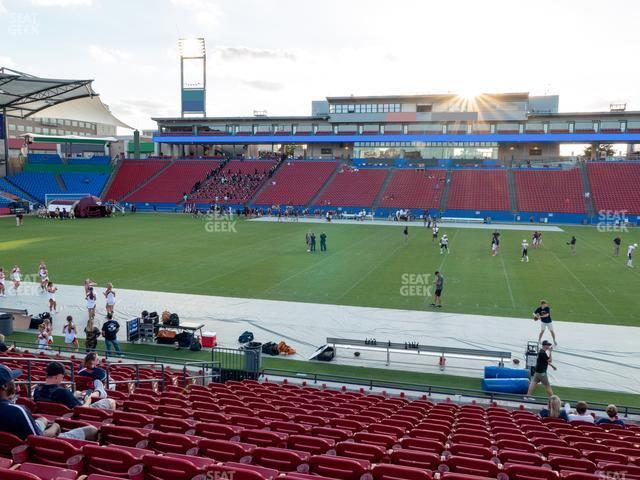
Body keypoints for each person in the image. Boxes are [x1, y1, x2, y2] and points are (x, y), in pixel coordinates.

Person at [0, 364, 98, 441]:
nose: (15, 382)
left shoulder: (38, 390)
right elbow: (37, 439)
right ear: (4, 386)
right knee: (92, 430)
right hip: (40, 446)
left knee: (42, 419)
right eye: (12, 379)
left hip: (9, 444)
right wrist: (55, 427)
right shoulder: (17, 410)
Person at [33, 362, 115, 410]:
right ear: (57, 376)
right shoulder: (62, 392)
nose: (62, 378)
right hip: (75, 415)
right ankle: (98, 391)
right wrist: (89, 399)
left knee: (78, 393)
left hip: (53, 414)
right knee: (111, 401)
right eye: (62, 376)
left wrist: (74, 394)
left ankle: (97, 390)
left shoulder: (38, 389)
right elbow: (81, 410)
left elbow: (55, 396)